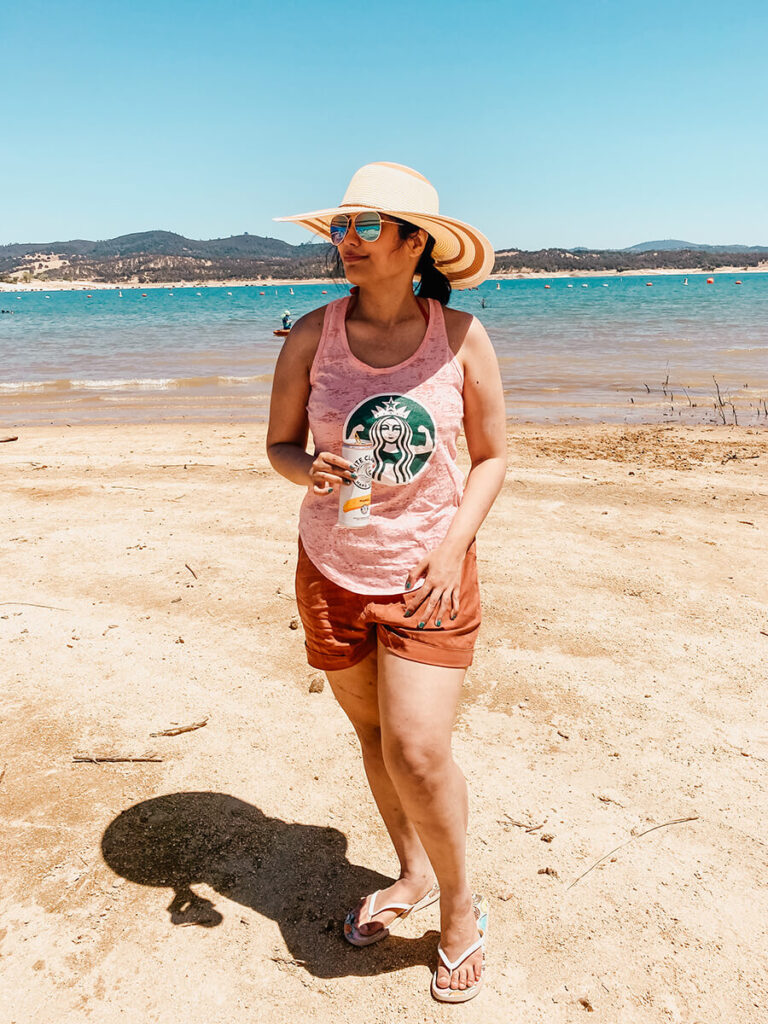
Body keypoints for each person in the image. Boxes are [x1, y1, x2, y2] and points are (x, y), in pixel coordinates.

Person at [266, 162, 506, 1003]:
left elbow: (493, 457)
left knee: (418, 747)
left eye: (367, 228)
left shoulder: (462, 335)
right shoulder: (310, 334)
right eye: (341, 228)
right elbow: (279, 447)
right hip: (333, 568)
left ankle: (461, 905)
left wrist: (452, 548)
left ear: (416, 244)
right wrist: (311, 470)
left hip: (427, 576)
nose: (347, 242)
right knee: (373, 741)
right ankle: (411, 873)